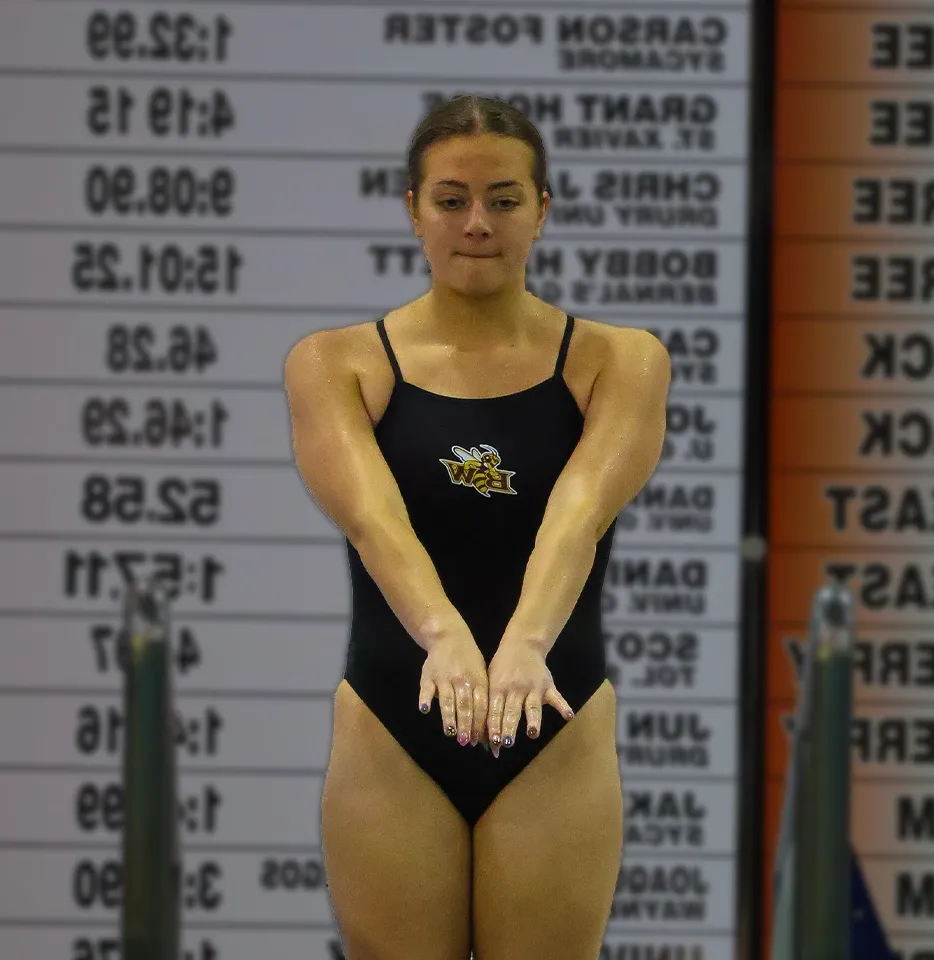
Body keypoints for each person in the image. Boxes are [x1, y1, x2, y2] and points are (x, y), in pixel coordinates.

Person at [285, 95, 670, 960]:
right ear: (413, 211)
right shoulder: (336, 364)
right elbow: (374, 522)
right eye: (451, 198)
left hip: (554, 713)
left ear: (543, 209)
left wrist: (525, 645)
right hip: (395, 716)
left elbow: (578, 512)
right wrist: (446, 637)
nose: (477, 222)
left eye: (503, 198)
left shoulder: (619, 360)